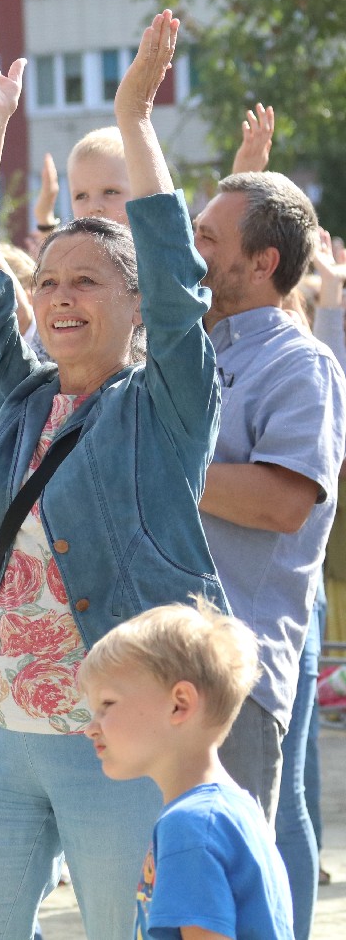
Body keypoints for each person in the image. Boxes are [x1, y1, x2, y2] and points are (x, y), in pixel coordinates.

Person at [0, 12, 229, 940]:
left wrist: (135, 121)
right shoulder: (19, 402)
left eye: (88, 281)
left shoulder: (165, 403)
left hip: (122, 742)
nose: (60, 297)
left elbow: (184, 290)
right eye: (50, 280)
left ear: (134, 305)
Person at [194, 168, 343, 940]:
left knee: (232, 903)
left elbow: (284, 502)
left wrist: (160, 462)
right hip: (165, 662)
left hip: (237, 674)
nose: (191, 251)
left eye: (208, 238)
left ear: (264, 264)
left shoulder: (302, 364)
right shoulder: (192, 349)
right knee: (180, 898)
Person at [80, 600, 295, 940]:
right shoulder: (234, 807)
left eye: (106, 705)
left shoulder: (192, 825)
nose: (91, 727)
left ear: (179, 703)